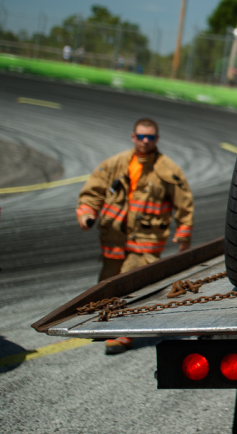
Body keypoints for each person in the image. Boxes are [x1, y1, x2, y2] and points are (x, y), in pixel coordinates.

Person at [76, 118, 193, 354]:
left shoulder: (168, 170)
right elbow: (93, 191)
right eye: (141, 136)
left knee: (130, 284)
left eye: (150, 137)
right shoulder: (115, 164)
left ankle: (122, 333)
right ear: (133, 137)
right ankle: (106, 324)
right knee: (107, 283)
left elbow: (184, 203)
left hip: (146, 241)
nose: (145, 141)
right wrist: (87, 214)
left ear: (156, 139)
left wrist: (183, 233)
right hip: (114, 239)